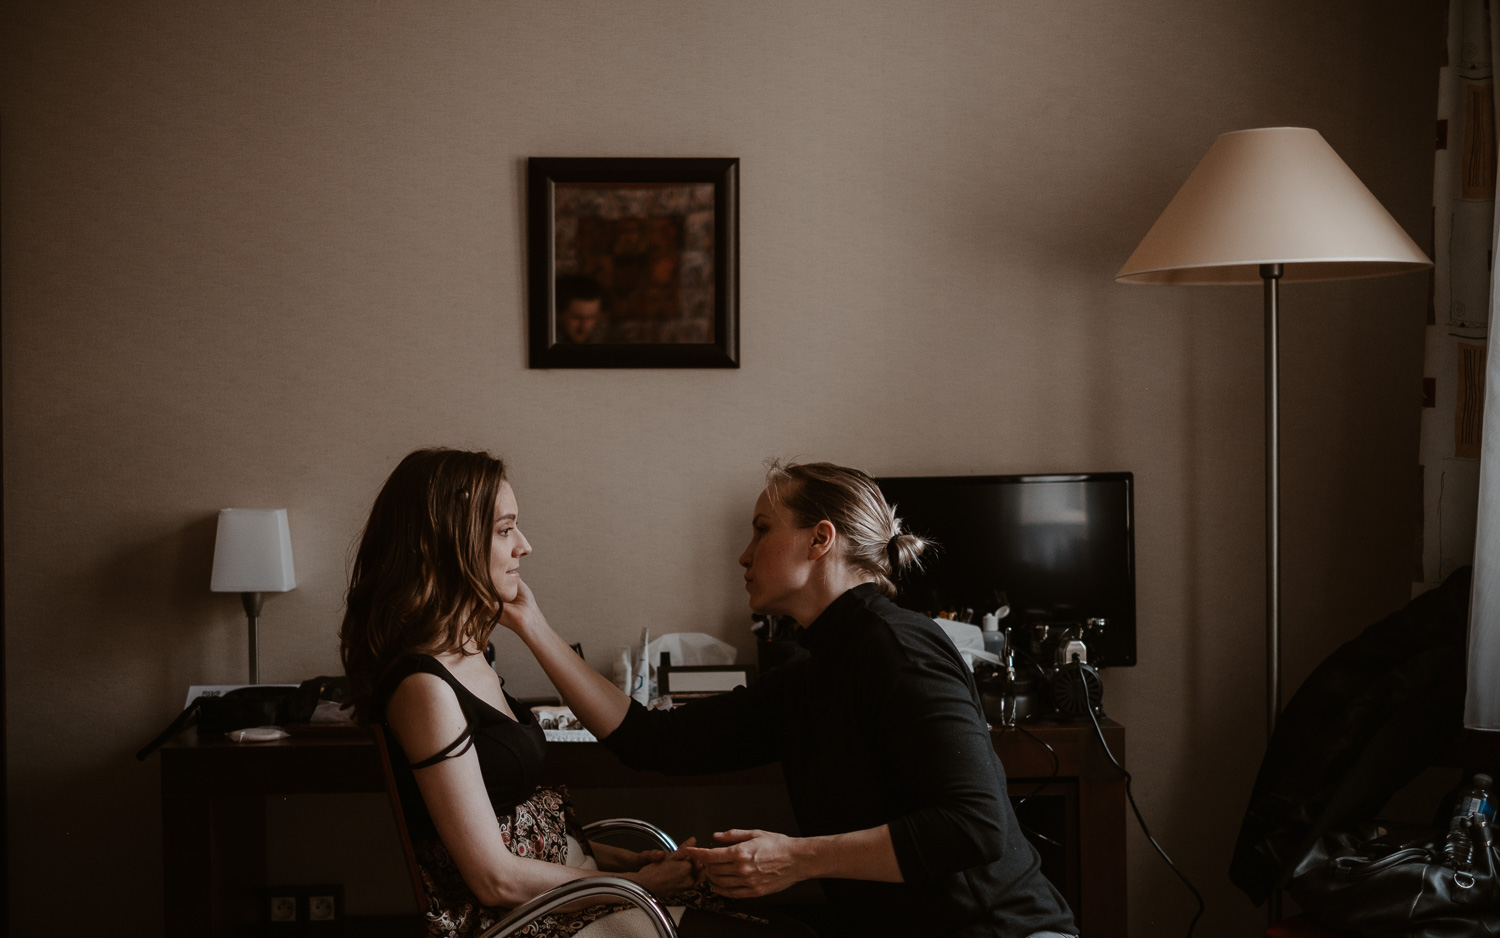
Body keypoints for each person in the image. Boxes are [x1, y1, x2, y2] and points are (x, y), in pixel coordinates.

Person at [500, 460, 1079, 938]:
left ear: (820, 539)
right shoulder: (811, 673)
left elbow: (975, 827)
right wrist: (533, 627)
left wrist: (797, 858)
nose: (744, 555)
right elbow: (655, 742)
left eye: (761, 529)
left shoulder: (896, 646)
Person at [339, 448, 809, 938]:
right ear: (445, 544)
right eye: (504, 530)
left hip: (568, 894)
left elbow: (517, 826)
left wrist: (623, 860)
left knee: (776, 925)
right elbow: (494, 877)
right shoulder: (423, 687)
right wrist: (634, 882)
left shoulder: (471, 653)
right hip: (520, 919)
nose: (524, 544)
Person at [556, 274, 609, 343]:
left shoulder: (608, 337)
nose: (584, 327)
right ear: (557, 314)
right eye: (577, 317)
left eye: (592, 317)